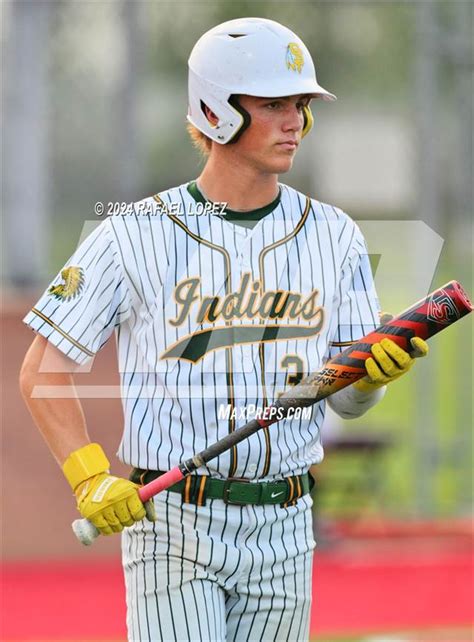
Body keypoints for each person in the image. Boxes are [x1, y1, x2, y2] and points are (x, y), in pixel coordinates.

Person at [20, 17, 428, 642]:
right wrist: (89, 476)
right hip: (174, 522)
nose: (295, 121)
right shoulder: (136, 231)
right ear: (216, 112)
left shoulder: (336, 235)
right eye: (273, 104)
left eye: (300, 105)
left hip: (288, 521)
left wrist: (373, 377)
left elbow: (345, 399)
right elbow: (41, 370)